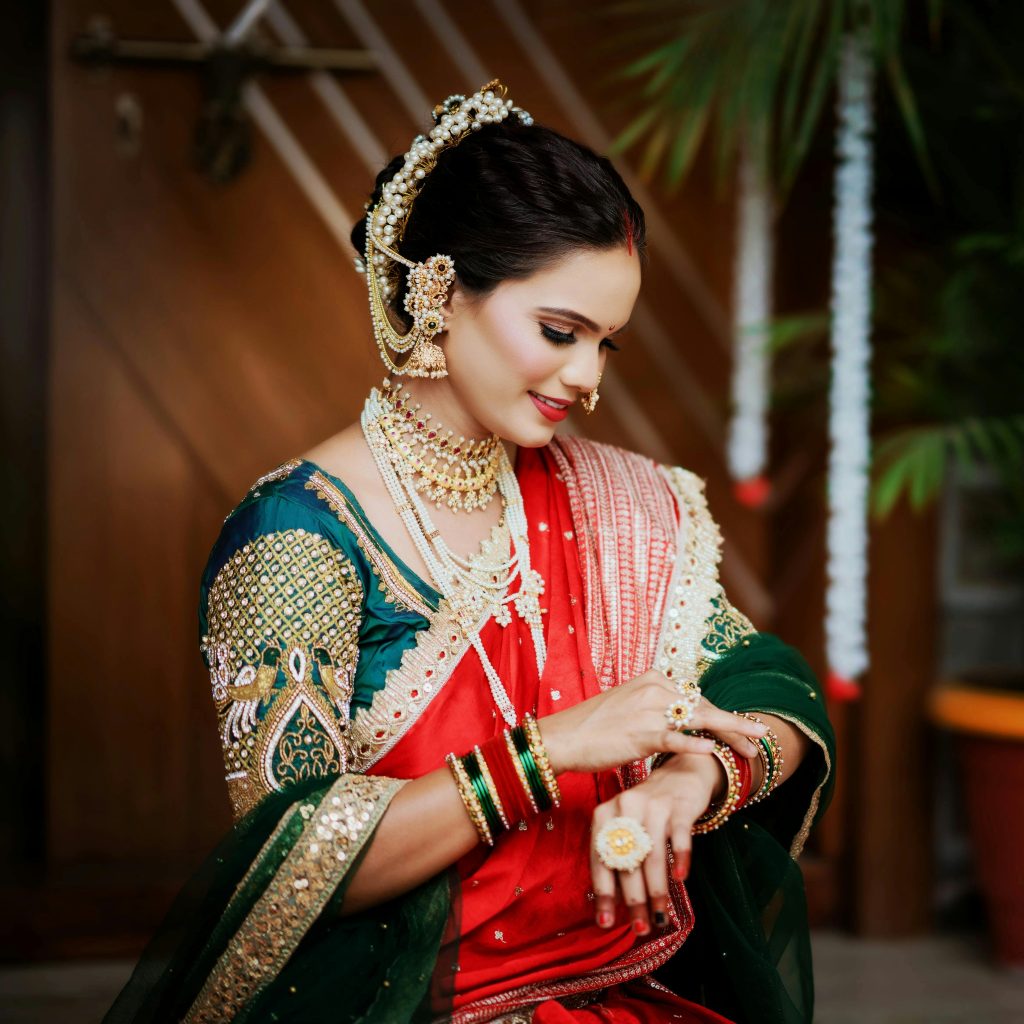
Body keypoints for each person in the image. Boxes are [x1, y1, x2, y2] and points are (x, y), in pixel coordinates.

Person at [105, 82, 834, 1024]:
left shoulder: (611, 504)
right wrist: (551, 752)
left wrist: (691, 779)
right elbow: (290, 868)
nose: (585, 378)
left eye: (607, 345)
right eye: (559, 333)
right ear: (441, 293)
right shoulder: (299, 535)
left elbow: (764, 692)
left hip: (610, 982)